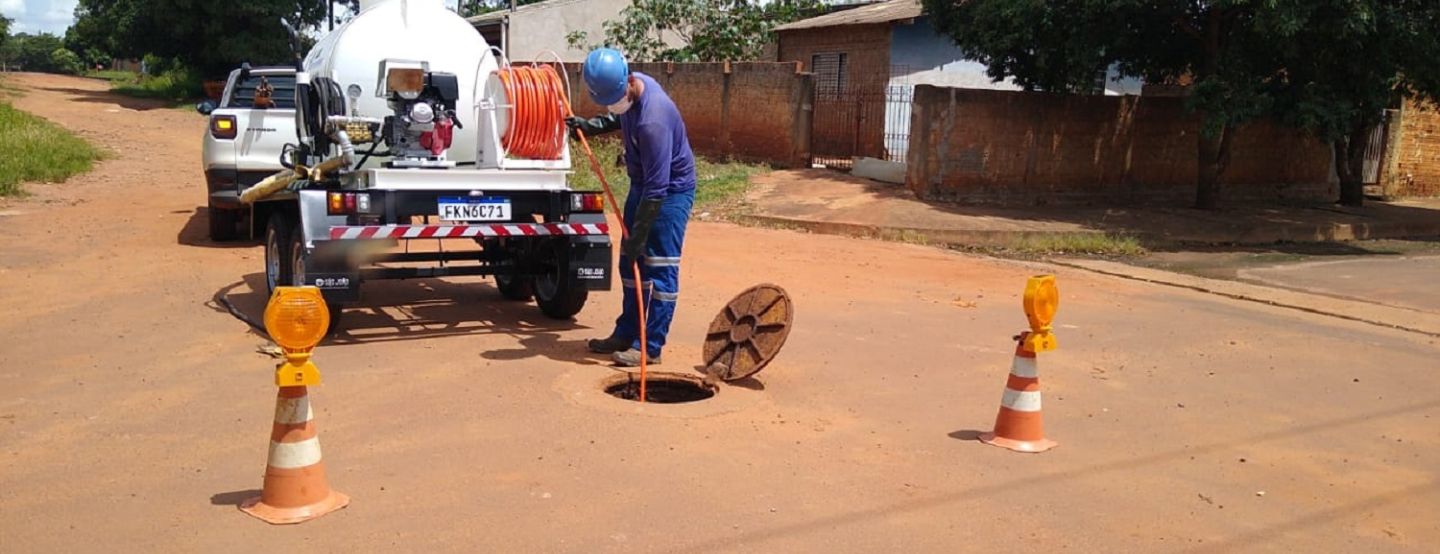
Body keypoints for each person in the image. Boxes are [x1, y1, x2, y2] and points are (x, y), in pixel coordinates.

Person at [567, 48, 696, 367]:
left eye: (614, 97)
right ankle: (626, 332)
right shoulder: (632, 89)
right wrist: (590, 125)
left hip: (669, 192)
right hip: (644, 185)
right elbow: (619, 113)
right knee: (629, 263)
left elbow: (658, 188)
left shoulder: (655, 120)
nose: (613, 105)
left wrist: (639, 235)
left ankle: (649, 347)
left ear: (628, 81)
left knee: (659, 268)